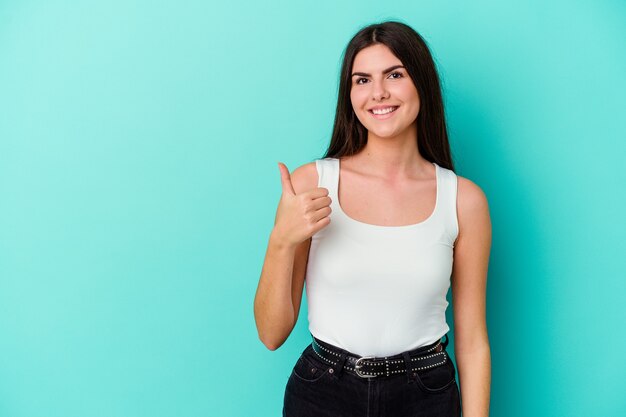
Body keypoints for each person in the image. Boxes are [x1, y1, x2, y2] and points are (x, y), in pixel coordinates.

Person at [253, 20, 491, 417]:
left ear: (422, 84)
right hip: (322, 393)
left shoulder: (464, 200)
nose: (377, 93)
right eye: (361, 80)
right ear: (349, 95)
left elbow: (473, 342)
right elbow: (271, 334)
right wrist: (282, 240)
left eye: (394, 75)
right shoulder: (313, 184)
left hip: (425, 395)